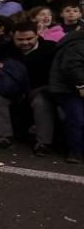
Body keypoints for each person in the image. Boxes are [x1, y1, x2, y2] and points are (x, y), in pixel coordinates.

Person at [0, 22, 55, 154]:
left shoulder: (50, 49)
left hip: (38, 88)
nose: (25, 42)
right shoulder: (2, 49)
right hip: (11, 88)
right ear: (13, 37)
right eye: (20, 39)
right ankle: (4, 137)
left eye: (29, 39)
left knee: (42, 102)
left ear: (37, 35)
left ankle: (43, 143)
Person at [48, 27, 84, 164]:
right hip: (68, 88)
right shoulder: (78, 43)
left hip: (71, 87)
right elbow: (71, 66)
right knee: (77, 118)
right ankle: (75, 151)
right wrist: (81, 85)